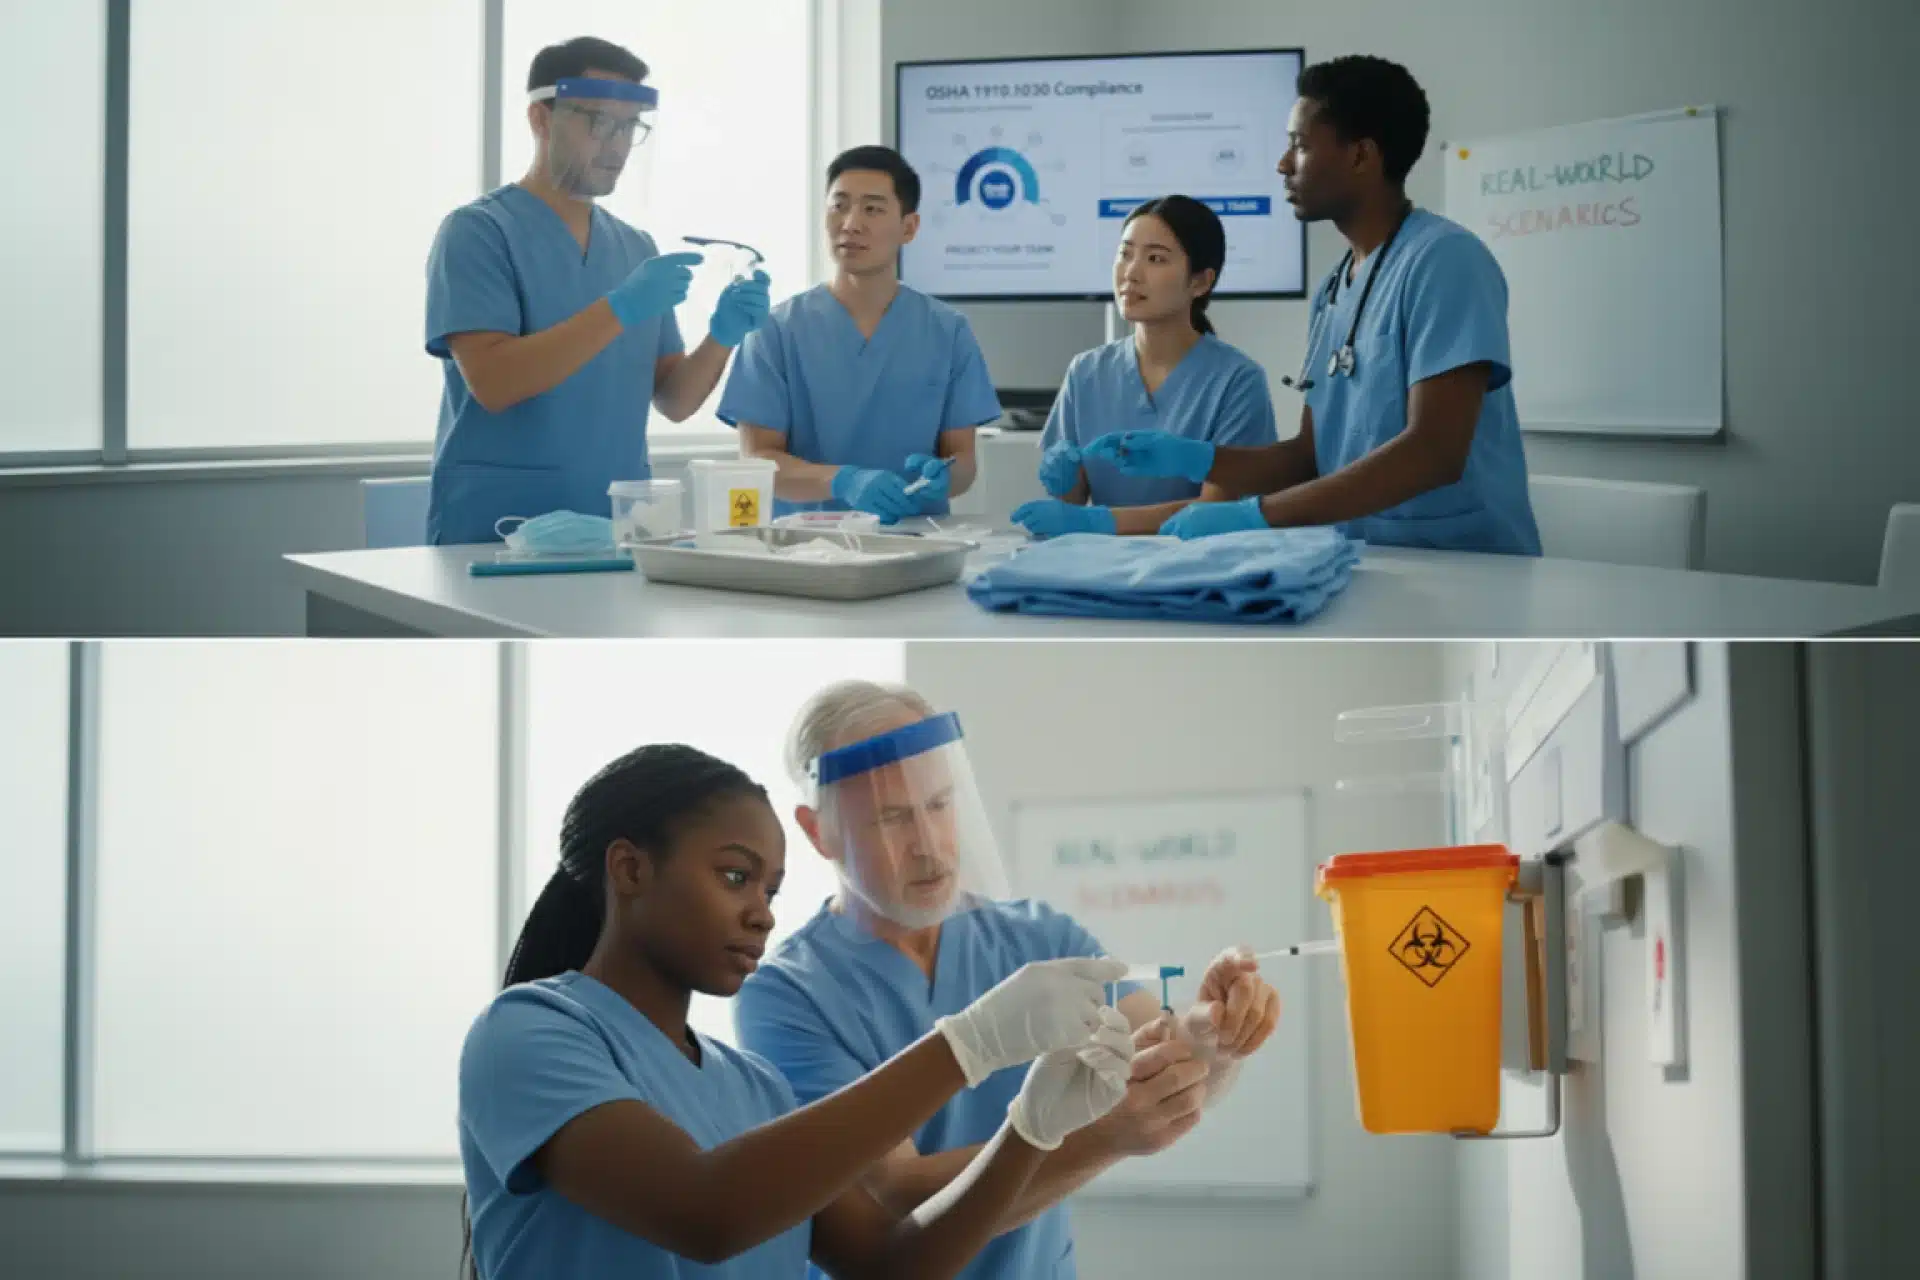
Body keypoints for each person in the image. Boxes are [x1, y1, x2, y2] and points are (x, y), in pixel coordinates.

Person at [458, 743, 1136, 1279]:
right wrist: (971, 1045)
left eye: (771, 890)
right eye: (735, 876)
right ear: (631, 870)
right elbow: (706, 1214)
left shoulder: (757, 1088)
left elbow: (891, 1265)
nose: (761, 914)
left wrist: (1028, 1133)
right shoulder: (528, 1033)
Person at [735, 682, 1284, 1280]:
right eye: (892, 817)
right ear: (819, 832)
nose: (928, 845)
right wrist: (1100, 1138)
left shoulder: (1038, 938)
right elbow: (895, 1200)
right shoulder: (786, 995)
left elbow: (1168, 1066)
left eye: (940, 804)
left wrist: (1211, 1039)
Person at [1087, 56, 1541, 556]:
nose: (1284, 164)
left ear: (1361, 155)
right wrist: (1197, 459)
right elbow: (1309, 456)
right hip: (1360, 558)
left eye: (1300, 145)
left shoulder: (1445, 261)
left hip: (1463, 565)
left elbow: (1434, 452)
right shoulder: (1332, 291)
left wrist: (1258, 514)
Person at [424, 37, 773, 545]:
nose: (616, 145)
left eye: (629, 127)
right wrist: (619, 308)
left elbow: (674, 400)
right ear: (541, 119)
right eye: (599, 122)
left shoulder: (634, 247)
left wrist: (722, 336)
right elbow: (494, 382)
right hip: (495, 534)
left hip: (615, 532)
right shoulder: (478, 233)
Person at [716, 147, 1002, 523]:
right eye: (839, 206)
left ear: (909, 227)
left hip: (916, 540)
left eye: (872, 209)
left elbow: (962, 461)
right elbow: (758, 460)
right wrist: (842, 481)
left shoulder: (947, 332)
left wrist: (944, 480)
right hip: (805, 543)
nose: (851, 224)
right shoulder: (775, 332)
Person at [1011, 196, 1279, 539]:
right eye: (1125, 254)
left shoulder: (1238, 380)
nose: (1131, 273)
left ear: (1200, 282)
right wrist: (1063, 481)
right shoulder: (1086, 372)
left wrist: (1099, 521)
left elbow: (1216, 507)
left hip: (1198, 561)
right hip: (1103, 561)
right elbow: (1071, 503)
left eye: (1155, 259)